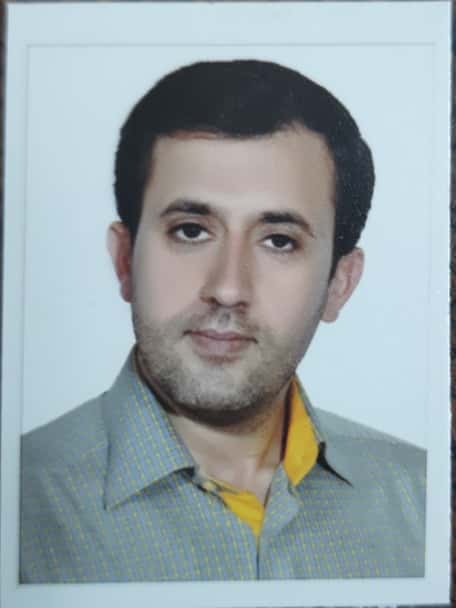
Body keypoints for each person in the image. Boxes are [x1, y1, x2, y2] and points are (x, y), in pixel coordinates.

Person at [20, 59, 425, 583]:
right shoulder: (20, 501)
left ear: (339, 284)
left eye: (279, 241)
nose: (228, 288)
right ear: (124, 260)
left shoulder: (427, 502)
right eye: (191, 231)